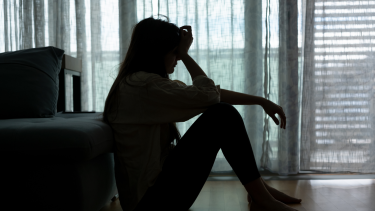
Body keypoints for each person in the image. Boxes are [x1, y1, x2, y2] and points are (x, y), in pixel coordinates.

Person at [102, 15, 302, 211]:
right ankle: (262, 198)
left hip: (151, 196)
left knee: (221, 114)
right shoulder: (143, 85)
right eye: (175, 52)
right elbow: (209, 96)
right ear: (158, 51)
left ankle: (260, 192)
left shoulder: (141, 83)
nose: (178, 59)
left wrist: (261, 101)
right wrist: (187, 54)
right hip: (151, 202)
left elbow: (209, 94)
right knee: (222, 115)